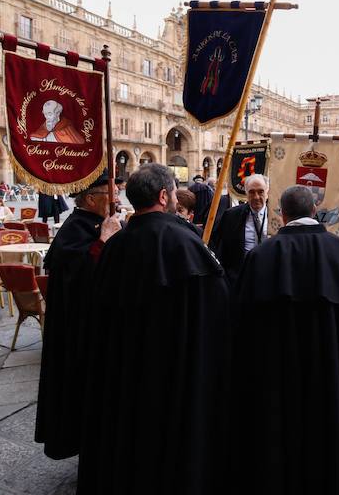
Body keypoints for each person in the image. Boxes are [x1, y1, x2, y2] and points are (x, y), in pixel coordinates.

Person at [231, 186, 339, 493]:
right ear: (314, 211)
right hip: (337, 379)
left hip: (281, 385)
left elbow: (245, 330)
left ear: (283, 215)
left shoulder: (260, 257)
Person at [77, 164, 232, 493]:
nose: (175, 197)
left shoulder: (115, 245)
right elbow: (215, 311)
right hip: (174, 375)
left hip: (125, 373)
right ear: (164, 196)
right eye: (174, 192)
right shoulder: (186, 243)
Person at [35, 173, 122, 460]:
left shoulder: (97, 222)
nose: (116, 200)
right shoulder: (75, 228)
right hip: (77, 328)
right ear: (91, 199)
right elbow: (82, 273)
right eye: (111, 195)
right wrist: (105, 239)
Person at [209, 173, 269, 285]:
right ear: (246, 193)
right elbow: (222, 248)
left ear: (267, 192)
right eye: (252, 192)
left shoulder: (277, 216)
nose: (256, 197)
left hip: (268, 277)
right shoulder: (232, 216)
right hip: (240, 279)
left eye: (260, 192)